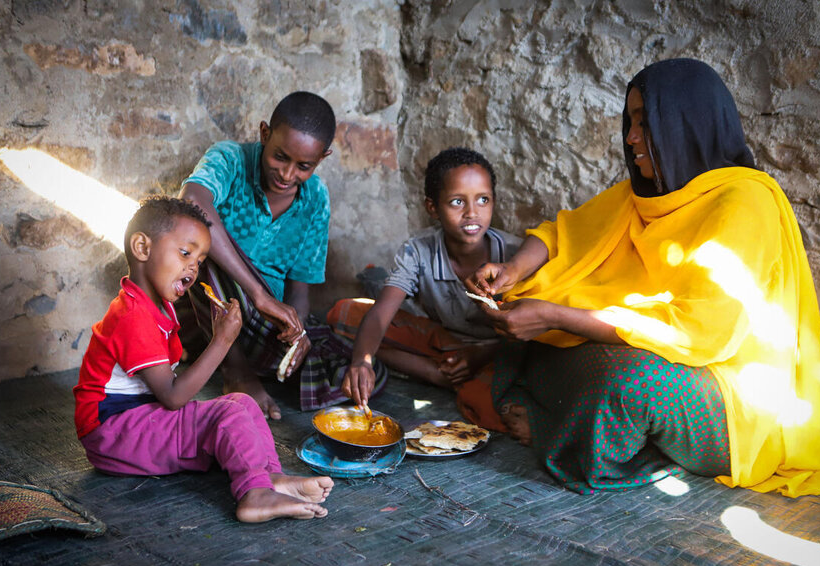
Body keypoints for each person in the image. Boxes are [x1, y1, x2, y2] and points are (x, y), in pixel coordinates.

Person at [466, 58, 820, 497]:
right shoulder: (649, 194)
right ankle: (576, 421)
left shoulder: (744, 202)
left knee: (628, 383)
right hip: (664, 352)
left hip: (731, 402)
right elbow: (565, 234)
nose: (631, 138)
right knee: (543, 335)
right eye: (630, 122)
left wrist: (558, 315)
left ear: (685, 123)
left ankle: (557, 429)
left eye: (644, 122)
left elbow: (698, 333)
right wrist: (513, 270)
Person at [73, 196, 333, 522]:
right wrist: (222, 339)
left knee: (243, 403)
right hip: (113, 433)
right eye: (185, 253)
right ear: (142, 247)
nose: (193, 268)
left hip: (134, 422)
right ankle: (254, 495)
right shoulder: (132, 316)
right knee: (226, 414)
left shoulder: (156, 306)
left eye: (199, 260)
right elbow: (173, 397)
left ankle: (268, 480)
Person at [329, 147, 521, 430]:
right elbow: (382, 313)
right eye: (457, 202)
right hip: (441, 343)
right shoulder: (419, 251)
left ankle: (455, 377)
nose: (472, 213)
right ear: (432, 207)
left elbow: (527, 335)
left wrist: (479, 355)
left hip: (500, 352)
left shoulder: (514, 256)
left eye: (483, 200)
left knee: (482, 405)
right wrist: (362, 362)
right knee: (344, 314)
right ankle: (440, 375)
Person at [178, 91, 336, 420]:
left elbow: (299, 289)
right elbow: (191, 201)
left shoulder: (316, 197)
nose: (287, 174)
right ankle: (234, 370)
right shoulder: (230, 160)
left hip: (263, 326)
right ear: (264, 133)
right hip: (211, 315)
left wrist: (297, 333)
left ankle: (262, 365)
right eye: (280, 156)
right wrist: (258, 294)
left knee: (345, 363)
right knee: (197, 240)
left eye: (303, 166)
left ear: (322, 158)